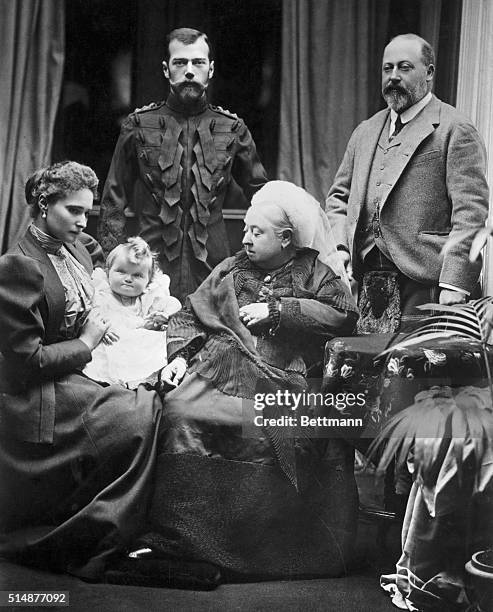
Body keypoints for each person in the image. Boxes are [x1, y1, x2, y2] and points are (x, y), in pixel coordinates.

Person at [106, 181, 360, 589]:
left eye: (256, 232)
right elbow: (191, 314)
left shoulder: (314, 272)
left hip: (285, 376)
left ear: (286, 239)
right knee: (180, 412)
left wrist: (282, 310)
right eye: (245, 230)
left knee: (263, 426)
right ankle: (182, 541)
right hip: (220, 368)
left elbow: (343, 315)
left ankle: (260, 548)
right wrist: (178, 358)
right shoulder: (231, 268)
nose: (245, 239)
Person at [0, 161, 163, 581]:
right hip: (38, 390)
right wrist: (88, 342)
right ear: (43, 203)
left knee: (153, 399)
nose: (81, 221)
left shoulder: (73, 247)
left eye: (87, 212)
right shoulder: (19, 265)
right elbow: (28, 361)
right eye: (73, 210)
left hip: (77, 367)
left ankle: (129, 525)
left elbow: (118, 274)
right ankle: (96, 534)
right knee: (136, 416)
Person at [325, 33, 489, 333]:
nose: (394, 77)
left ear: (429, 72)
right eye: (388, 69)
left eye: (404, 67)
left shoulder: (455, 129)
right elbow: (338, 197)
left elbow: (471, 215)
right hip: (365, 285)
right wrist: (341, 249)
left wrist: (455, 282)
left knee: (410, 377)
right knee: (360, 373)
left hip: (425, 285)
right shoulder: (366, 131)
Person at [98, 27, 268, 303]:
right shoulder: (138, 126)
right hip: (149, 270)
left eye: (198, 62)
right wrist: (113, 264)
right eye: (180, 62)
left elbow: (264, 199)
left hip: (214, 271)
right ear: (167, 70)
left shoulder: (232, 128)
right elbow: (112, 202)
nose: (189, 70)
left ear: (210, 70)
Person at [83, 237, 181, 388]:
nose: (128, 279)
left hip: (138, 346)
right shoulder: (102, 292)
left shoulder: (147, 298)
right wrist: (101, 327)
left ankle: (143, 380)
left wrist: (165, 315)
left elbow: (175, 304)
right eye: (121, 272)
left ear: (148, 281)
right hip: (112, 342)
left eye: (137, 275)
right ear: (108, 272)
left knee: (158, 341)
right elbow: (90, 313)